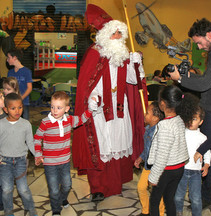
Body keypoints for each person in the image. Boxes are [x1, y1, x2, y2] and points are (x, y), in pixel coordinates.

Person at [72, 4, 146, 201]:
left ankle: (117, 181)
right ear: (105, 34)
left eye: (120, 33)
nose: (118, 37)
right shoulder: (95, 53)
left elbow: (132, 81)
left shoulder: (123, 54)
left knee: (118, 142)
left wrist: (136, 63)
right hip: (100, 110)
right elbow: (88, 83)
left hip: (120, 108)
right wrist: (93, 99)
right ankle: (98, 187)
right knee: (102, 146)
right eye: (114, 33)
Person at [168, 18, 211, 208]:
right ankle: (206, 192)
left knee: (208, 154)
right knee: (207, 152)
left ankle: (207, 197)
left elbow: (206, 83)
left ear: (209, 35)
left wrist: (181, 78)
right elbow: (209, 79)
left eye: (199, 42)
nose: (198, 47)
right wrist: (188, 76)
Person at [34, 91, 96, 216]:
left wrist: (91, 108)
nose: (54, 110)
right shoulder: (45, 122)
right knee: (54, 189)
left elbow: (83, 119)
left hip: (65, 161)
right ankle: (56, 208)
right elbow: (37, 138)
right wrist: (38, 154)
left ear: (67, 109)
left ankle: (62, 198)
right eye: (52, 107)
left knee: (67, 185)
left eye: (58, 107)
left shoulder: (69, 120)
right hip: (50, 163)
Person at [148, 85, 200, 216]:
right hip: (178, 168)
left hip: (167, 170)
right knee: (169, 199)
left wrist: (153, 176)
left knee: (154, 201)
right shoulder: (179, 119)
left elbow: (162, 155)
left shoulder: (165, 125)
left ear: (163, 103)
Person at [0, 93, 36, 216]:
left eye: (20, 107)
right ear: (6, 109)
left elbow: (30, 142)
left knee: (23, 189)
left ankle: (31, 210)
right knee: (7, 189)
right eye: (13, 108)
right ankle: (8, 212)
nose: (17, 111)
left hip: (20, 161)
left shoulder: (26, 124)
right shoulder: (0, 124)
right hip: (4, 162)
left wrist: (38, 155)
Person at [174, 106, 211, 216]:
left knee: (195, 198)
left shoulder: (203, 138)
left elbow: (207, 152)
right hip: (181, 169)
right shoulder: (181, 133)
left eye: (194, 119)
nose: (191, 121)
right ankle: (178, 211)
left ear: (201, 122)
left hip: (196, 172)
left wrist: (206, 165)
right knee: (178, 195)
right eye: (189, 118)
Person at [134, 101, 165, 216]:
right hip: (147, 167)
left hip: (157, 168)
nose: (144, 115)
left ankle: (161, 213)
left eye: (147, 113)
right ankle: (146, 210)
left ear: (155, 118)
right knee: (141, 187)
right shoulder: (147, 129)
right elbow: (147, 149)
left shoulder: (158, 133)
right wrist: (141, 158)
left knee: (158, 192)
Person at [7, 49, 32, 120]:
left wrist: (21, 97)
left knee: (25, 120)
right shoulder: (10, 72)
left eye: (9, 57)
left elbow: (29, 88)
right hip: (12, 101)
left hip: (24, 102)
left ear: (14, 57)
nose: (7, 60)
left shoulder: (26, 71)